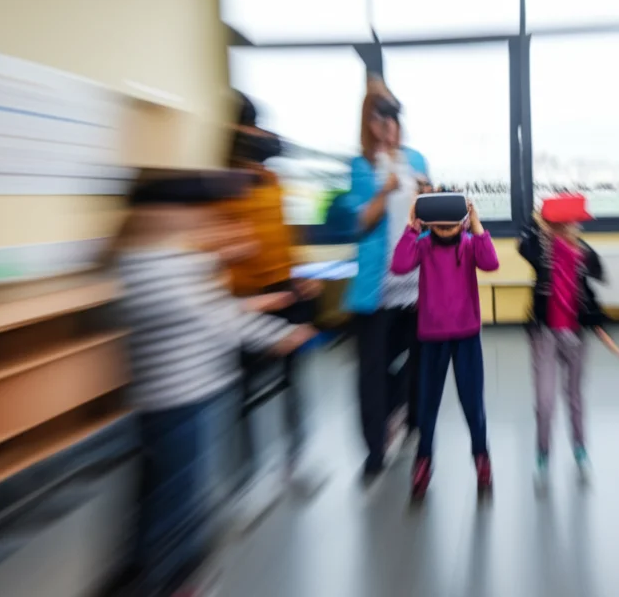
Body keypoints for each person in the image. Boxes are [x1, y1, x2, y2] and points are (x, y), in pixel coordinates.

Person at [113, 171, 316, 595]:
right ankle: (172, 580)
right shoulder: (166, 265)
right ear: (166, 215)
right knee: (179, 500)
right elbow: (216, 320)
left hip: (164, 401)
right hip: (183, 402)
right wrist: (280, 334)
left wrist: (256, 302)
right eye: (197, 213)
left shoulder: (145, 261)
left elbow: (209, 310)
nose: (202, 221)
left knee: (157, 494)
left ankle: (146, 574)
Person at [211, 91, 327, 499]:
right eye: (249, 126)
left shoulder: (271, 179)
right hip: (243, 296)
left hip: (282, 289)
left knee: (294, 377)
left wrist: (298, 274)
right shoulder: (222, 182)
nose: (258, 135)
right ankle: (245, 474)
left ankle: (297, 459)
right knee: (243, 387)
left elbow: (283, 232)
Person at [343, 76, 430, 483]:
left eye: (394, 118)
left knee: (417, 360)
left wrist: (429, 196)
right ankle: (374, 450)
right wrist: (385, 190)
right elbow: (360, 220)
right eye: (381, 119)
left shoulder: (416, 159)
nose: (389, 126)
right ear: (370, 123)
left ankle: (410, 419)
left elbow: (434, 220)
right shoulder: (360, 165)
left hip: (417, 283)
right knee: (372, 369)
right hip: (376, 287)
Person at [390, 198, 499, 500]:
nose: (446, 228)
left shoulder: (469, 244)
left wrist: (476, 224)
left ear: (462, 221)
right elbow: (399, 265)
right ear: (428, 222)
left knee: (473, 403)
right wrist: (412, 227)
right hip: (432, 337)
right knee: (427, 405)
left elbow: (491, 262)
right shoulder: (423, 245)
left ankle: (481, 458)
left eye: (452, 221)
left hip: (466, 337)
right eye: (439, 222)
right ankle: (424, 461)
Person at [516, 194, 619, 491]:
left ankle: (580, 450)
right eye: (567, 223)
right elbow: (524, 244)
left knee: (574, 396)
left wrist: (579, 253)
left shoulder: (583, 253)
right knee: (545, 401)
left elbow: (599, 274)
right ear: (554, 225)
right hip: (544, 333)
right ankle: (542, 454)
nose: (574, 228)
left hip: (574, 335)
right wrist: (540, 224)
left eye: (575, 223)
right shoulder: (540, 249)